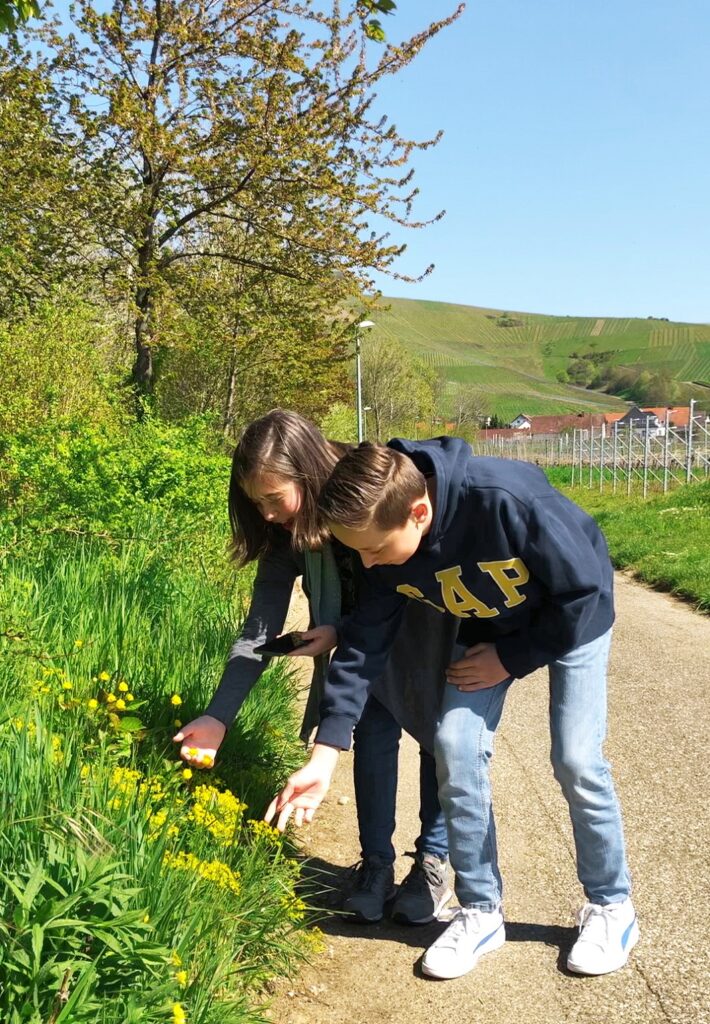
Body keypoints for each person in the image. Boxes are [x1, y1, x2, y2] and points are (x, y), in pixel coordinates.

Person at [267, 435, 639, 980]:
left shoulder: (505, 499)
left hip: (572, 622)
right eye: (360, 552)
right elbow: (365, 643)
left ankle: (611, 907)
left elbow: (584, 593)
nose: (369, 564)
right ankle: (481, 910)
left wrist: (512, 659)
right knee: (453, 746)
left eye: (374, 550)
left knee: (576, 757)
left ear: (419, 512)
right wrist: (325, 755)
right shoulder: (383, 535)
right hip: (490, 625)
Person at [173, 411, 458, 925]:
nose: (264, 514)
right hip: (358, 649)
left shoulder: (369, 488)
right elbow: (258, 633)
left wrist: (343, 631)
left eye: (272, 498)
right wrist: (218, 716)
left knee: (435, 737)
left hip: (421, 629)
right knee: (369, 735)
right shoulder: (286, 535)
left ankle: (432, 861)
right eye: (254, 502)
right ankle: (376, 866)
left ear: (306, 474)